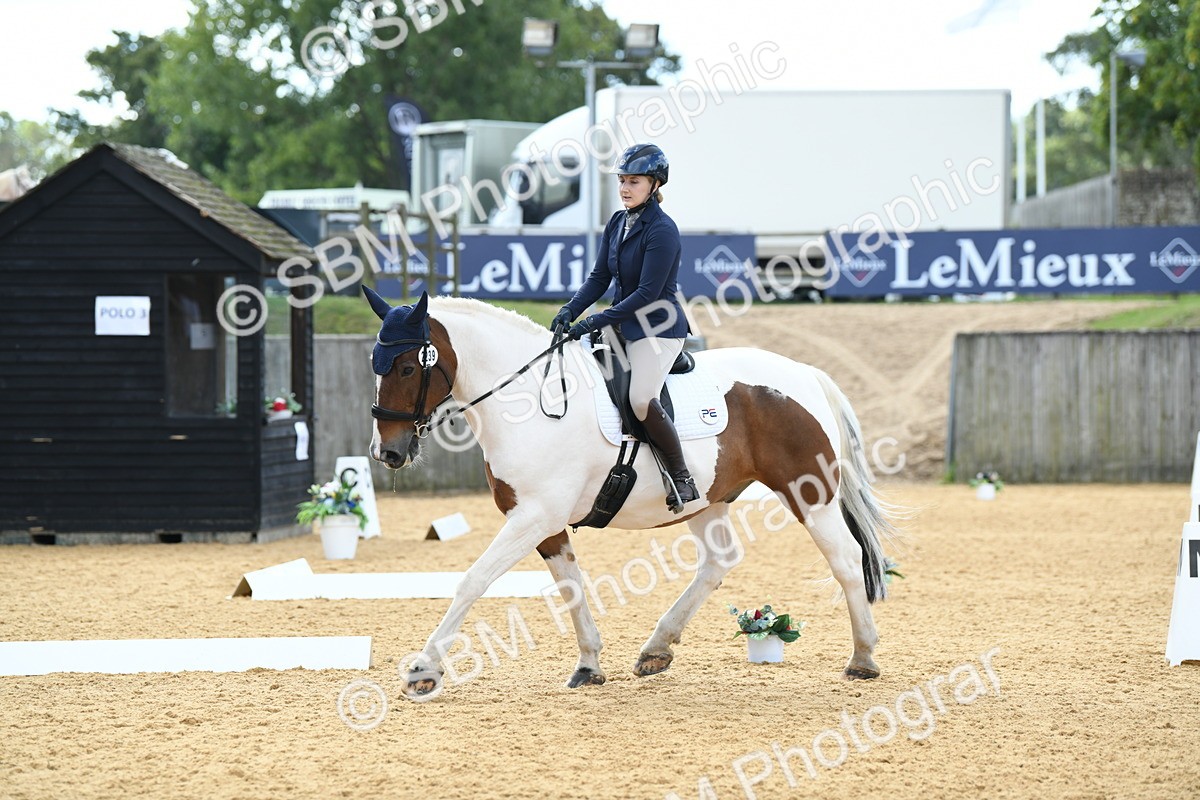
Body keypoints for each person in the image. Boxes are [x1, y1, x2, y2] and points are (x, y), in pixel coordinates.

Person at [550, 142, 699, 512]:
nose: (625, 188)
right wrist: (571, 309)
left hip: (657, 327)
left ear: (654, 184)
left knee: (640, 398)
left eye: (634, 181)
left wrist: (594, 321)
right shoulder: (617, 222)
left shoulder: (662, 230)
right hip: (622, 325)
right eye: (621, 180)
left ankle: (681, 477)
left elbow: (647, 294)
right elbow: (599, 277)